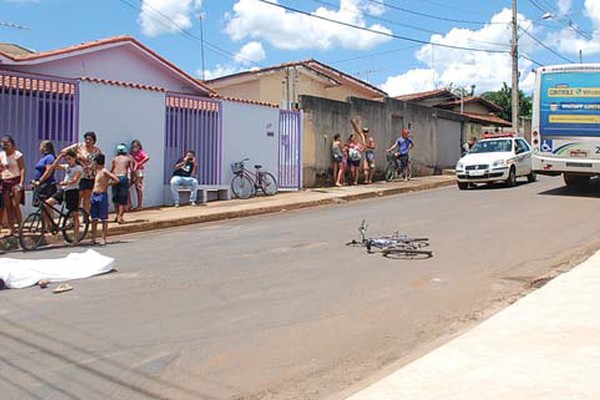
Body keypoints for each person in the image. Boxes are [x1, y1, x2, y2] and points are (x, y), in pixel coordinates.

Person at [46, 149, 82, 245]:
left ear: (74, 158)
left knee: (74, 215)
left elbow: (75, 180)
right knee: (47, 204)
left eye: (69, 159)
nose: (68, 161)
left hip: (73, 191)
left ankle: (75, 238)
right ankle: (52, 224)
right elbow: (54, 166)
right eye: (67, 159)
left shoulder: (78, 168)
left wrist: (66, 182)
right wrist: (60, 157)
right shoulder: (67, 167)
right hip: (63, 190)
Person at [63, 131, 103, 213]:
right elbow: (64, 151)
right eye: (86, 139)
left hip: (91, 176)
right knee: (79, 196)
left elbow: (99, 161)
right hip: (80, 175)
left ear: (93, 141)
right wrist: (77, 157)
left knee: (87, 196)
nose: (88, 141)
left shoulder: (97, 150)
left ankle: (86, 215)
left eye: (90, 139)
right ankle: (75, 216)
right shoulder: (79, 146)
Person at [90, 154, 119, 245]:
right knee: (94, 218)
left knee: (104, 219)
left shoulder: (104, 171)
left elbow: (116, 179)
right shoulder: (96, 171)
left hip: (102, 195)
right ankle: (93, 238)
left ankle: (103, 238)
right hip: (95, 195)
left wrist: (108, 185)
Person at [0, 135, 25, 236]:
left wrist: (21, 184)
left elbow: (22, 168)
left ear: (12, 144)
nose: (5, 146)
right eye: (3, 144)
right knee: (8, 205)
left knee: (15, 205)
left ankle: (20, 227)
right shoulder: (1, 155)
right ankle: (12, 228)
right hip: (5, 181)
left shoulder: (17, 155)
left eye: (7, 144)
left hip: (16, 180)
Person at [111, 143, 134, 224]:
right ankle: (120, 217)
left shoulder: (114, 159)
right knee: (123, 198)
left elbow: (111, 170)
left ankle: (117, 215)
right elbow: (131, 170)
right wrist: (132, 180)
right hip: (123, 178)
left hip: (115, 177)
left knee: (115, 198)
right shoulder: (128, 159)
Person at [129, 140, 150, 211]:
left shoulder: (141, 152)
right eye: (133, 147)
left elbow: (147, 157)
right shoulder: (132, 153)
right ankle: (130, 204)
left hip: (139, 171)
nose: (134, 148)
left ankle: (140, 205)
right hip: (133, 171)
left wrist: (139, 163)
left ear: (139, 146)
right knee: (127, 187)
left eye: (136, 147)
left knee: (138, 188)